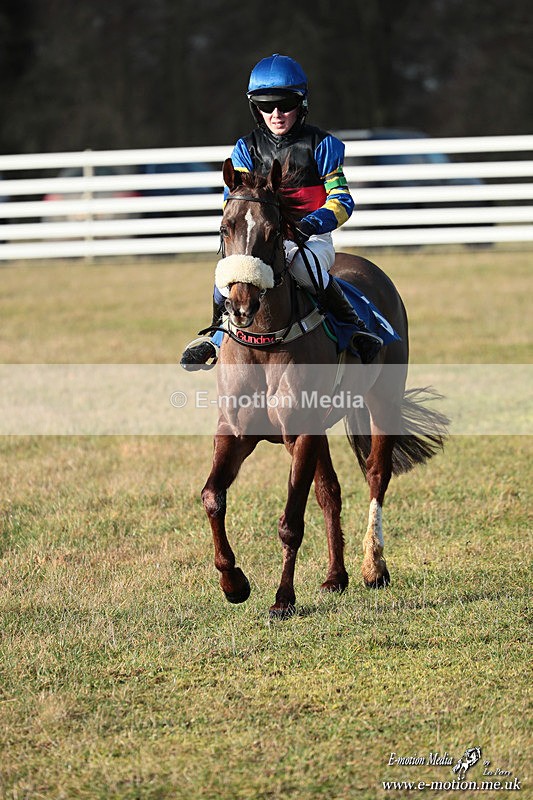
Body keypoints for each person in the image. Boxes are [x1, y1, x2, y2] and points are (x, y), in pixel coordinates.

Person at [180, 53, 383, 368]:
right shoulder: (244, 149)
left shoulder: (323, 145)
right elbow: (232, 200)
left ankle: (353, 329)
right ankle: (215, 339)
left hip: (309, 238)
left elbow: (342, 199)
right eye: (265, 106)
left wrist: (313, 223)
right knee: (227, 276)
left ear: (301, 104)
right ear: (255, 107)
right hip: (259, 238)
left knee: (305, 270)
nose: (276, 113)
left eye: (285, 104)